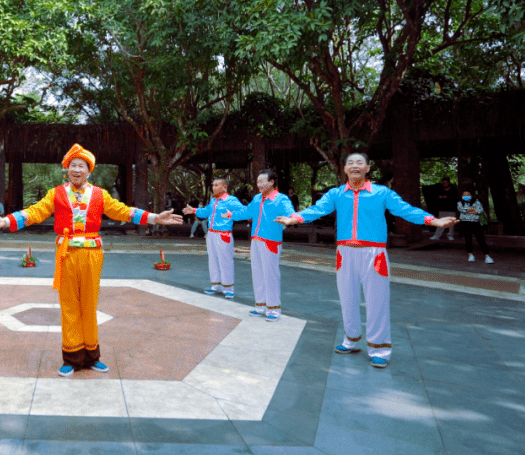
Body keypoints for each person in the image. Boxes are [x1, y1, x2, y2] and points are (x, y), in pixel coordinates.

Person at [0, 143, 182, 377]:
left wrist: (155, 217)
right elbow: (35, 212)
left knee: (89, 304)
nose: (76, 170)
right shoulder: (56, 193)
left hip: (92, 254)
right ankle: (72, 356)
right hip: (66, 254)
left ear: (89, 171)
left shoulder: (99, 194)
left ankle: (92, 356)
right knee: (69, 305)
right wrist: (5, 221)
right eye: (73, 165)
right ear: (67, 169)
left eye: (81, 166)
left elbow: (123, 211)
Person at [276, 152, 456, 369]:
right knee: (347, 298)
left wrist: (433, 220)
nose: (354, 166)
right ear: (344, 169)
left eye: (359, 163)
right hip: (345, 252)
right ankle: (351, 340)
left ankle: (379, 348)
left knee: (377, 301)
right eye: (350, 163)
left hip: (374, 253)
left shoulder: (381, 193)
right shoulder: (336, 194)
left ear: (368, 168)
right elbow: (317, 209)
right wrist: (293, 219)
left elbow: (404, 209)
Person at [231, 169, 296, 321]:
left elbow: (290, 212)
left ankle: (273, 310)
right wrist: (231, 215)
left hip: (271, 241)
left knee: (270, 275)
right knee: (257, 273)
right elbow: (247, 212)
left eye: (262, 181)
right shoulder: (257, 199)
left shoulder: (281, 199)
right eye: (258, 181)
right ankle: (260, 306)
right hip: (256, 240)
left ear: (272, 182)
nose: (259, 184)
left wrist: (292, 218)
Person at [183, 179, 244, 299]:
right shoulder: (213, 201)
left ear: (225, 187)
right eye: (213, 185)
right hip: (211, 234)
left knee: (225, 261)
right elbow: (205, 212)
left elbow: (244, 212)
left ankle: (228, 288)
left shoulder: (231, 201)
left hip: (223, 234)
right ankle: (216, 285)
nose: (214, 187)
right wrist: (194, 210)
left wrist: (233, 216)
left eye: (217, 185)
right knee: (213, 260)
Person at [457, 189, 493, 264]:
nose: (466, 196)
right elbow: (462, 210)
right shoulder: (460, 203)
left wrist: (470, 211)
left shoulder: (477, 201)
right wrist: (473, 210)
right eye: (464, 194)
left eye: (467, 194)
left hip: (476, 223)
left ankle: (487, 256)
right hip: (465, 223)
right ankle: (470, 255)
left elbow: (480, 210)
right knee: (467, 239)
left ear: (471, 195)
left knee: (481, 239)